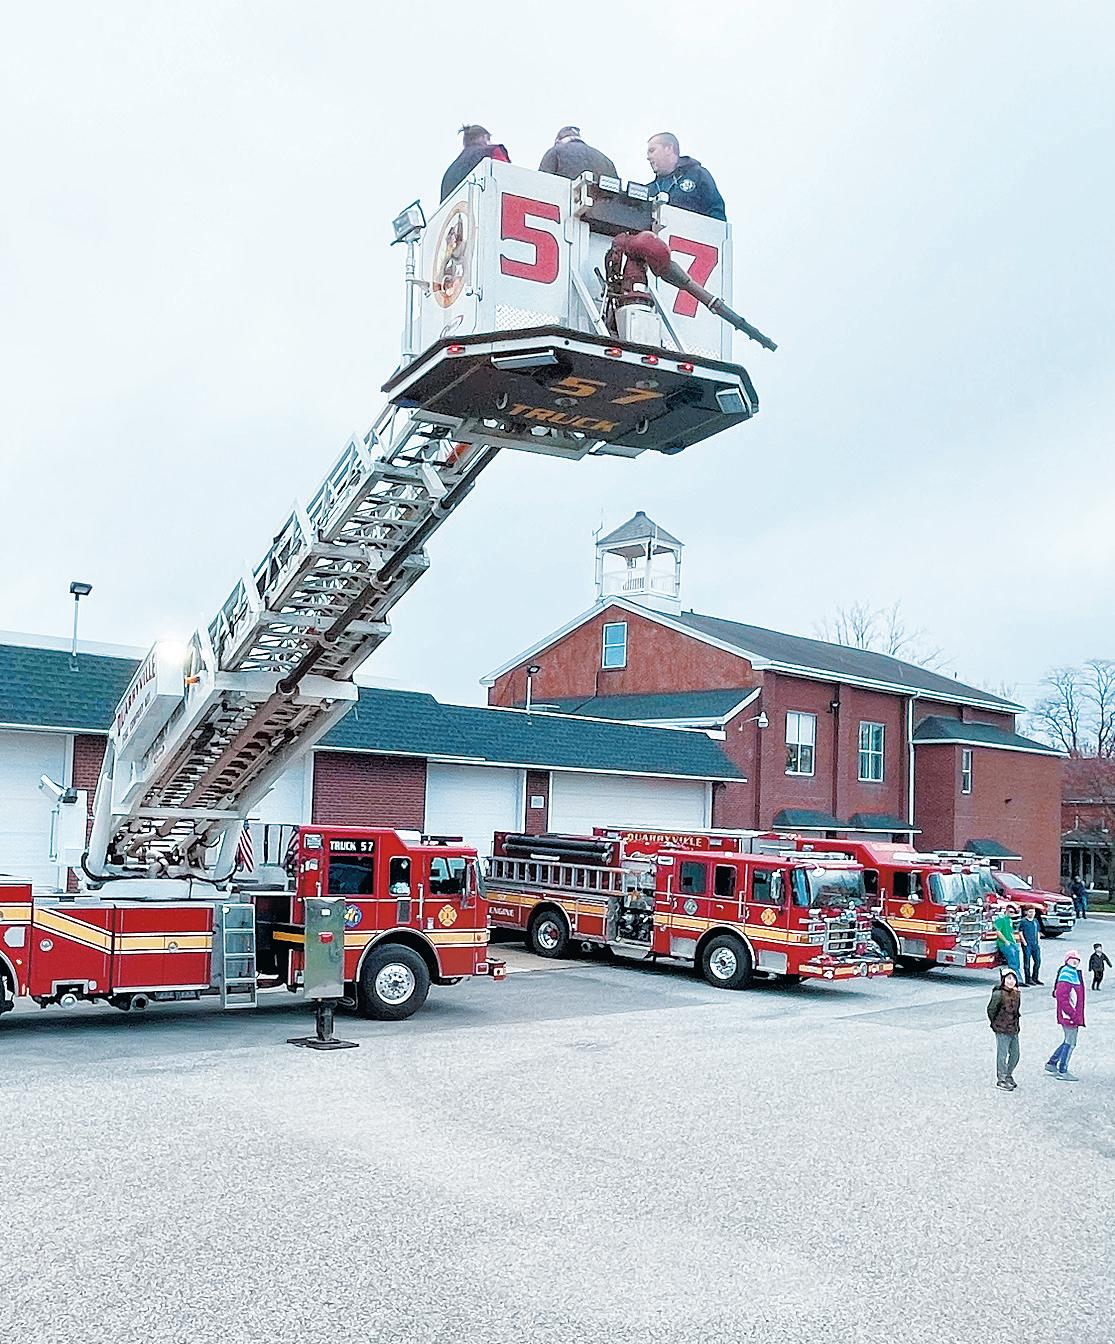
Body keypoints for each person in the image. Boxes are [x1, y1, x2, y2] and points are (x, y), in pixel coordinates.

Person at [644, 132, 726, 221]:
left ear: (668, 148)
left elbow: (716, 212)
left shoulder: (697, 175)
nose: (648, 157)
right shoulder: (649, 190)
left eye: (652, 151)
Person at [1045, 950, 1086, 1081]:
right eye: (1072, 959)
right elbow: (1062, 998)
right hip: (1069, 1016)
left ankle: (1052, 1063)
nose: (1075, 961)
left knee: (1068, 1040)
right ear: (1067, 960)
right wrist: (1073, 1015)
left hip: (1071, 1015)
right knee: (1071, 1042)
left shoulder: (1072, 974)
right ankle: (1063, 1070)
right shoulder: (1067, 975)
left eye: (1077, 959)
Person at [440, 125, 510, 201]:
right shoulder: (492, 151)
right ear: (484, 137)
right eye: (488, 139)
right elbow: (506, 177)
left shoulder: (449, 172)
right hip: (486, 202)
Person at [538, 126, 618, 181]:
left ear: (558, 141)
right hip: (602, 201)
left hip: (564, 199)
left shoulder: (555, 152)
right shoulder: (606, 161)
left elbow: (542, 184)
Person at [986, 967, 1021, 1091]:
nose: (1011, 981)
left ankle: (1008, 1074)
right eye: (1008, 978)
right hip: (1001, 1028)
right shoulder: (998, 994)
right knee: (1002, 1054)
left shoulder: (1017, 994)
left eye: (1013, 979)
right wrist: (996, 1023)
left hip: (1013, 1028)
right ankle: (1001, 1078)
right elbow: (991, 1010)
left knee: (1015, 1054)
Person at [992, 903, 1023, 982]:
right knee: (1012, 962)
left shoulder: (1009, 920)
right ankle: (1017, 979)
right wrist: (1005, 942)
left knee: (1017, 961)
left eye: (1014, 912)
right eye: (1010, 912)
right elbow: (998, 932)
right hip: (1004, 944)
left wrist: (1014, 942)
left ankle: (1018, 978)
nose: (1012, 914)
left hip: (1012, 943)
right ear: (1006, 911)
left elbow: (1010, 932)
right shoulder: (1001, 919)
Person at [1018, 904, 1043, 985]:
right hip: (1027, 944)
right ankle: (1028, 979)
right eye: (1030, 912)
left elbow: (1038, 931)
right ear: (1026, 912)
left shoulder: (1035, 921)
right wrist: (1024, 942)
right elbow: (1020, 932)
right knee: (1027, 962)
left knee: (1037, 961)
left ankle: (1035, 978)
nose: (1032, 914)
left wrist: (1038, 940)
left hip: (1035, 944)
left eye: (1033, 912)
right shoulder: (1023, 921)